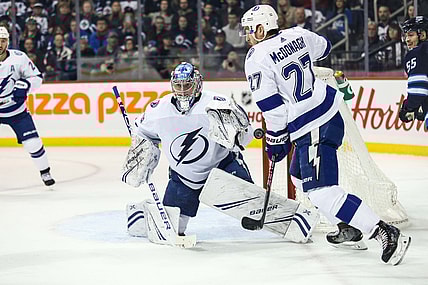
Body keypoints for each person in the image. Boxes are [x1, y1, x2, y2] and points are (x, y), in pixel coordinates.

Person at [240, 5, 411, 265]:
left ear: (261, 29)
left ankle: (382, 231)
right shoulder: (298, 33)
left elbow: (272, 108)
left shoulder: (256, 56)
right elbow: (325, 47)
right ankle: (347, 228)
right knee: (298, 177)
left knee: (320, 191)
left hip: (312, 125)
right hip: (329, 111)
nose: (248, 36)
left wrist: (275, 141)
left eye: (250, 30)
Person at [122, 62, 254, 239]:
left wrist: (236, 136)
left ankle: (268, 212)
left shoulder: (216, 103)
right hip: (184, 176)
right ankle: (141, 214)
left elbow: (246, 136)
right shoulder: (158, 109)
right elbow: (142, 133)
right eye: (178, 85)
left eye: (187, 85)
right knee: (173, 228)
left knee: (253, 208)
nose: (183, 90)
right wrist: (143, 155)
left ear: (197, 84)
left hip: (222, 167)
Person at [0, 26, 55, 187]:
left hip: (17, 111)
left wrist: (25, 84)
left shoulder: (19, 58)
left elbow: (37, 79)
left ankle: (45, 172)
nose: (0, 44)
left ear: (8, 42)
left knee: (33, 143)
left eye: (3, 41)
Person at [399, 16, 428, 129]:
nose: (407, 40)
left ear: (423, 35)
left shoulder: (418, 52)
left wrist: (409, 107)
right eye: (406, 36)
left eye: (411, 35)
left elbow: (419, 90)